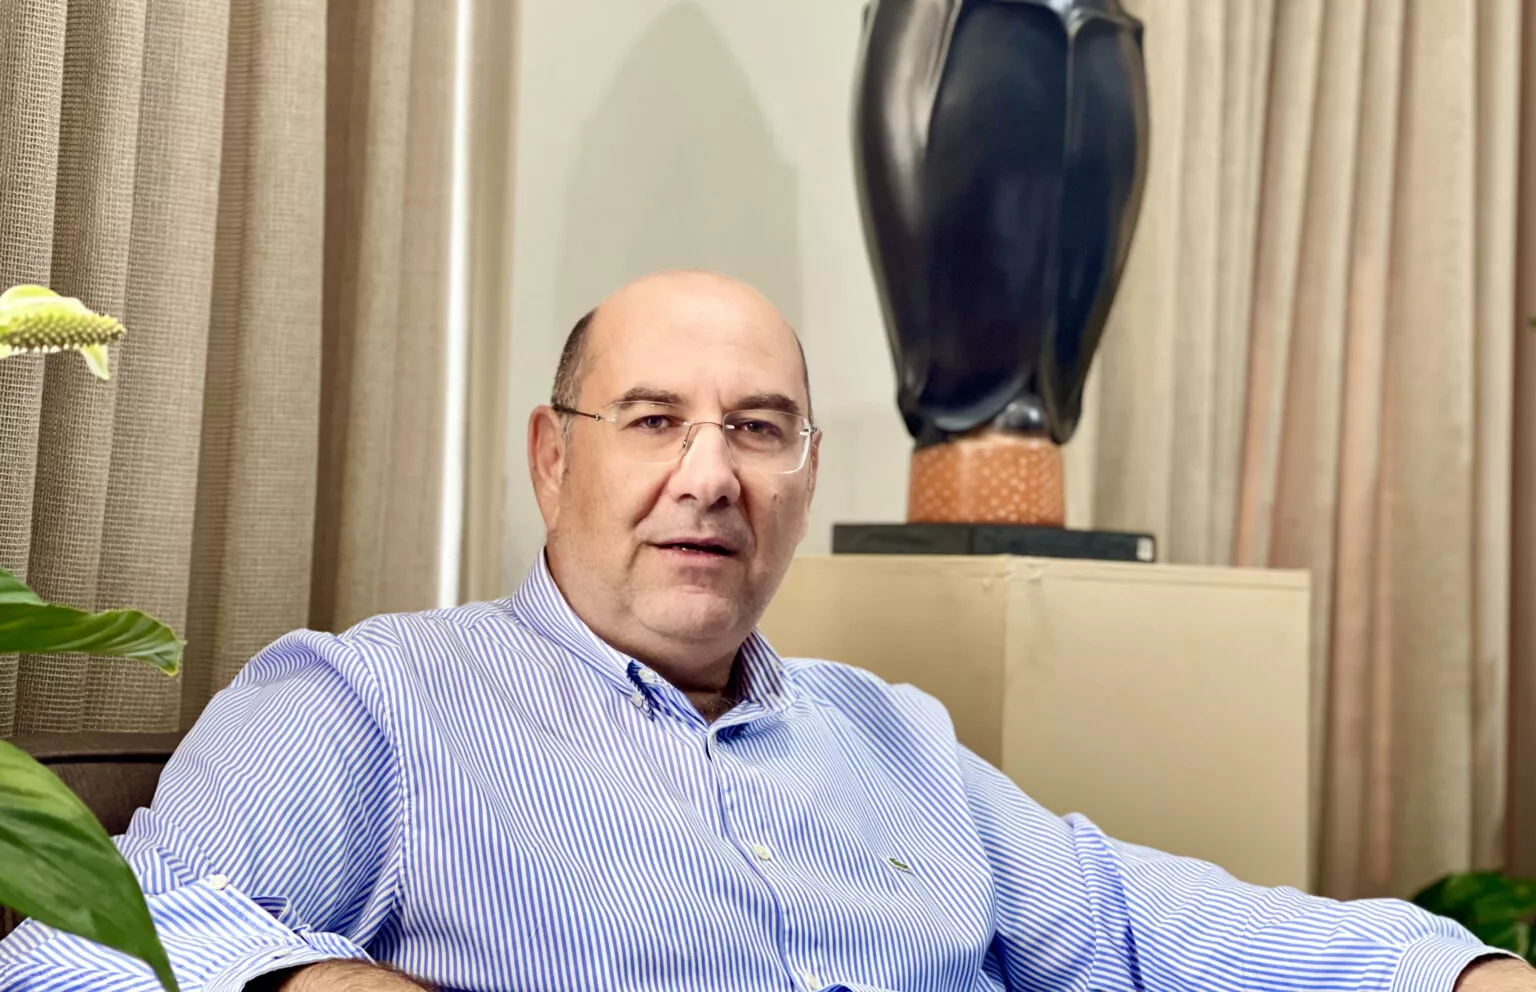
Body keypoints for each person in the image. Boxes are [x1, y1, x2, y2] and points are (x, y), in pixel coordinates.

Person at [0, 270, 1530, 992]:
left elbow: (1133, 926)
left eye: (759, 428)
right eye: (651, 419)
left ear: (805, 477)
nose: (708, 475)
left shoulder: (892, 734)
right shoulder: (373, 699)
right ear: (551, 459)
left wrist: (1454, 977)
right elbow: (78, 951)